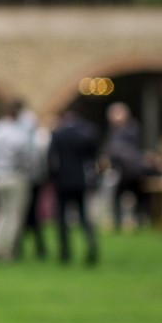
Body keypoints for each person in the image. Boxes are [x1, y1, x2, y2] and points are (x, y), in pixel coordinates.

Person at [0, 100, 34, 261]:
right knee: (13, 214)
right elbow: (26, 157)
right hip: (14, 176)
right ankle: (6, 251)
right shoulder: (20, 133)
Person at [46, 107, 101, 265]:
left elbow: (51, 158)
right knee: (84, 217)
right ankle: (91, 247)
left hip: (62, 181)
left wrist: (52, 178)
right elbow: (93, 156)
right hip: (80, 180)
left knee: (62, 218)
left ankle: (64, 252)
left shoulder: (58, 135)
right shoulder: (85, 134)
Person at [104, 101, 148, 229]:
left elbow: (122, 150)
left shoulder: (131, 129)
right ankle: (120, 221)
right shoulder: (113, 130)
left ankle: (138, 219)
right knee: (117, 197)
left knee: (137, 195)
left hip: (131, 169)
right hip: (121, 168)